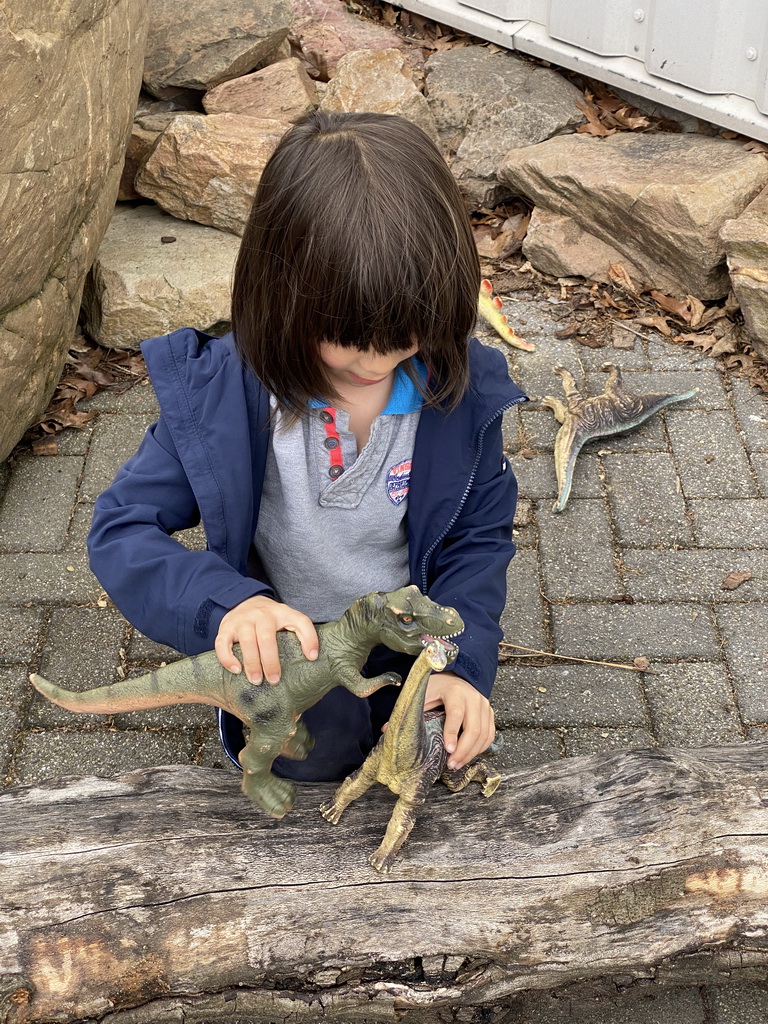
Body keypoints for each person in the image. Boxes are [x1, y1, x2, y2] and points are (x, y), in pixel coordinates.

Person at [88, 110, 526, 784]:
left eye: (406, 332)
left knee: (436, 754)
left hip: (408, 641)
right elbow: (121, 530)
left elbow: (477, 545)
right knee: (313, 761)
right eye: (349, 333)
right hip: (296, 651)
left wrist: (462, 668)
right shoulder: (223, 399)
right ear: (282, 293)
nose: (377, 361)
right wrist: (227, 606)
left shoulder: (463, 400)